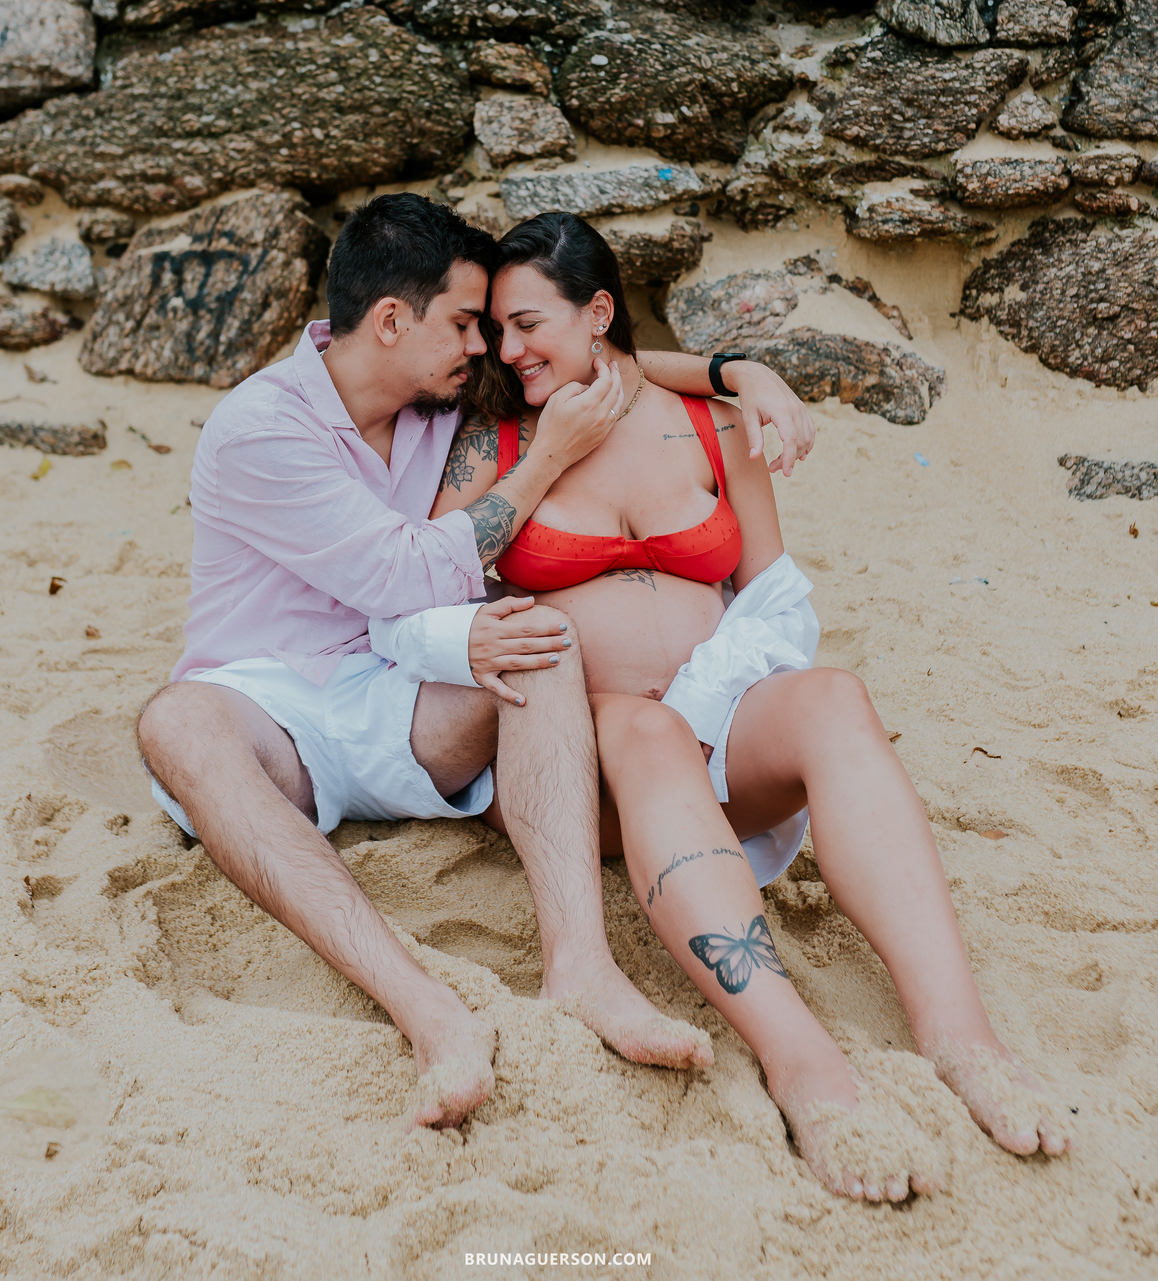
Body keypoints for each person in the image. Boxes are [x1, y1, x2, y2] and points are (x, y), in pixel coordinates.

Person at [418, 211, 1073, 1198]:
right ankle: (804, 1063)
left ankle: (960, 1037)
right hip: (588, 770)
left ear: (599, 313)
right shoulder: (497, 437)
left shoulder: (715, 424)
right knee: (645, 731)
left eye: (526, 325)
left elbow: (770, 598)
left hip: (714, 730)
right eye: (500, 331)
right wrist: (545, 458)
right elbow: (428, 577)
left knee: (833, 695)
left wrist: (739, 374)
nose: (506, 350)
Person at [137, 192, 815, 1130]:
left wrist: (737, 367)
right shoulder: (261, 429)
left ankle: (581, 968)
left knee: (537, 639)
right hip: (275, 712)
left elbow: (601, 362)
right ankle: (428, 1010)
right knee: (173, 722)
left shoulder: (437, 403)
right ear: (388, 321)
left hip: (402, 698)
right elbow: (404, 574)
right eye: (464, 323)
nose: (484, 348)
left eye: (491, 328)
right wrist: (545, 466)